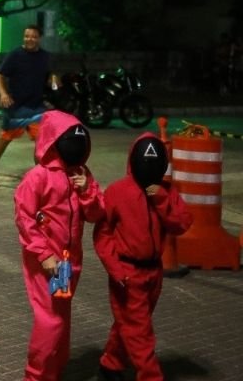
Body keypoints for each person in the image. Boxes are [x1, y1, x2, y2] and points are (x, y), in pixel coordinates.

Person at [13, 110, 105, 381]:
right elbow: (24, 216)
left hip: (68, 263)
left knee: (61, 316)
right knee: (50, 321)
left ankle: (54, 370)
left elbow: (97, 213)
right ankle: (36, 376)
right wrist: (43, 254)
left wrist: (87, 189)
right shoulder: (38, 177)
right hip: (46, 263)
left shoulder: (80, 173)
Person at [94, 133, 192, 381]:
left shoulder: (166, 192)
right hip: (127, 272)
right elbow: (103, 235)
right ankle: (150, 376)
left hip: (153, 271)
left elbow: (181, 223)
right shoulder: (117, 192)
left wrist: (159, 198)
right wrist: (115, 269)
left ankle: (111, 363)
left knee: (131, 323)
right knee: (140, 330)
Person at [0, 24, 54, 186]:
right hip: (16, 107)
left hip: (37, 106)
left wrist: (54, 82)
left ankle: (41, 178)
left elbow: (51, 75)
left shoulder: (46, 57)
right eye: (27, 36)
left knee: (41, 142)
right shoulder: (15, 55)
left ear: (39, 38)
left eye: (33, 36)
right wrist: (3, 94)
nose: (30, 39)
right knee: (5, 138)